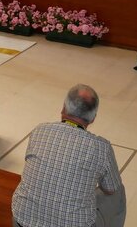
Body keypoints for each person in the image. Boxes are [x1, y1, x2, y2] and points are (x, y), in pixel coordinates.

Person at [12, 84, 125, 227]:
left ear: (63, 108)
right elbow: (110, 189)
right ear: (93, 118)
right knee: (119, 191)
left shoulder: (39, 131)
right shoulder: (101, 148)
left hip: (21, 221)